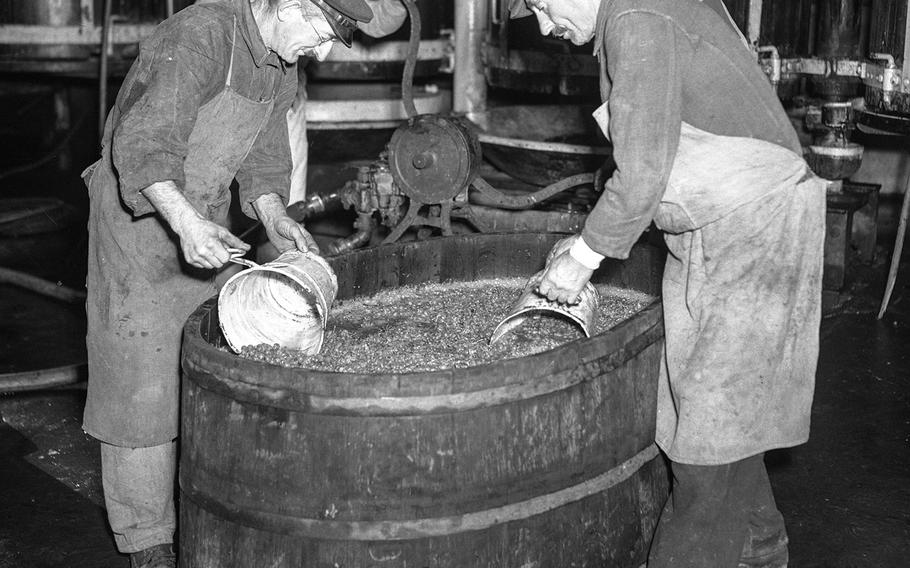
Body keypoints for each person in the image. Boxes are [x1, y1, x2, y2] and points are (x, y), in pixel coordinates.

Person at [509, 1, 825, 567]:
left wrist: (581, 258)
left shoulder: (636, 18)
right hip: (718, 224)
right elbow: (654, 148)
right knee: (701, 408)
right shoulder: (631, 17)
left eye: (539, 3)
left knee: (709, 442)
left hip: (753, 224)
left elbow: (647, 170)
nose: (543, 25)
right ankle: (761, 547)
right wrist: (590, 237)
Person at [81, 1, 373, 566]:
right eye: (322, 32)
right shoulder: (200, 36)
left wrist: (274, 216)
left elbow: (263, 157)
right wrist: (186, 223)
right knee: (141, 388)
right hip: (139, 222)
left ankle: (204, 509)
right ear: (290, 4)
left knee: (213, 364)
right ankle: (148, 542)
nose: (324, 49)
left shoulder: (282, 63)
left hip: (205, 217)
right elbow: (140, 144)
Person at [287, 0, 409, 204]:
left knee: (285, 212)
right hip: (233, 78)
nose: (324, 56)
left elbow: (375, 18)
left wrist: (398, 3)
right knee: (218, 197)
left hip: (289, 89)